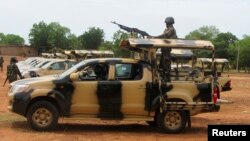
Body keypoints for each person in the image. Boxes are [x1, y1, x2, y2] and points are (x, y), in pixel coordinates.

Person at [156, 16, 177, 82]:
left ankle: (167, 79)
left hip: (167, 51)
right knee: (162, 66)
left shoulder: (171, 29)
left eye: (167, 23)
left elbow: (165, 35)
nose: (166, 24)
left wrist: (155, 37)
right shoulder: (167, 29)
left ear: (170, 23)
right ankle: (164, 78)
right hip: (164, 50)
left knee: (166, 65)